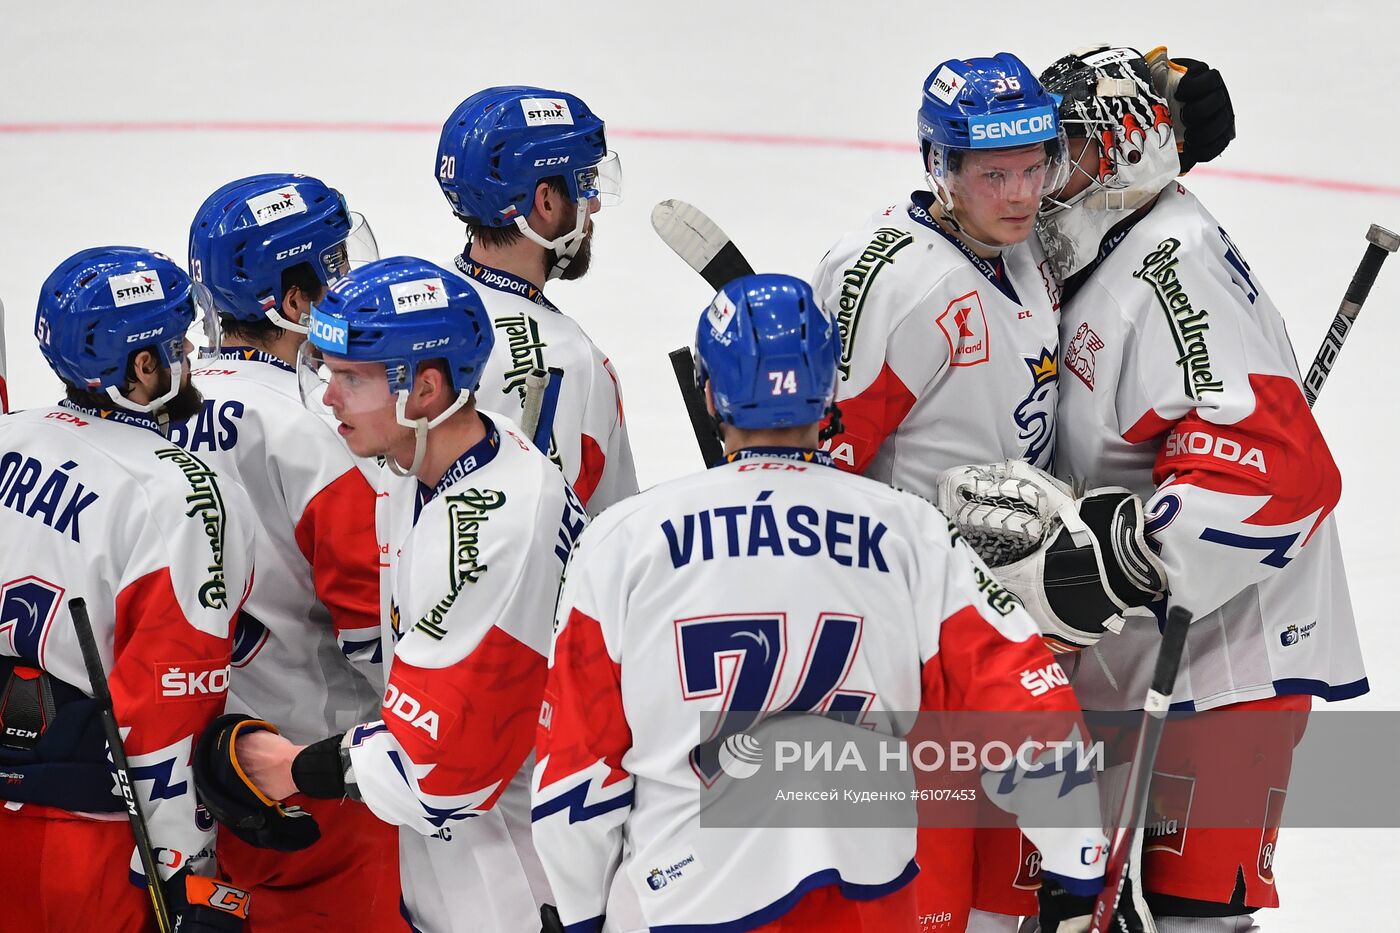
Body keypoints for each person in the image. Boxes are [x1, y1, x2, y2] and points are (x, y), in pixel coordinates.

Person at [530, 274, 1143, 933]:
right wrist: (1076, 867)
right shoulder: (909, 530)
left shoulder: (624, 541)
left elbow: (577, 765)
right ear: (828, 394)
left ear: (711, 393)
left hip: (690, 895)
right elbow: (1027, 704)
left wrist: (578, 910)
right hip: (867, 893)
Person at [810, 49, 1236, 931]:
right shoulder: (894, 280)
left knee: (1019, 912)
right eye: (991, 172)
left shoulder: (1032, 243)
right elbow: (821, 478)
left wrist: (1184, 108)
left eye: (1034, 166)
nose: (1019, 193)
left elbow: (1116, 150)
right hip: (919, 667)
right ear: (940, 166)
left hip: (1024, 655)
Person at [1031, 45, 1367, 932]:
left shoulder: (1174, 273)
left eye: (1063, 152)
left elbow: (1281, 469)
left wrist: (1133, 549)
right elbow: (1141, 80)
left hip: (1228, 661)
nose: (1042, 178)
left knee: (1185, 915)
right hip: (1149, 649)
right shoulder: (1109, 243)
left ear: (1121, 155)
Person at [192, 256, 588, 932]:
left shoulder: (491, 531)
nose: (327, 396)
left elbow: (440, 771)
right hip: (456, 870)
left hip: (520, 887)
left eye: (352, 378)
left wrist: (292, 767)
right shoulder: (423, 468)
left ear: (425, 389)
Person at [0, 246, 255, 930]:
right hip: (87, 843)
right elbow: (167, 704)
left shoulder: (7, 434)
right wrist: (185, 866)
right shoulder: (183, 492)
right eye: (177, 343)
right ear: (143, 368)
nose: (192, 354)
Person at [183, 172, 401, 931]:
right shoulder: (318, 429)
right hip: (311, 776)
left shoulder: (151, 413)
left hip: (188, 771)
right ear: (295, 301)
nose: (347, 282)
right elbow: (378, 627)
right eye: (333, 266)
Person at [435, 85, 637, 513]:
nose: (594, 204)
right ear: (544, 201)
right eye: (585, 184)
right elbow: (601, 538)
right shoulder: (576, 362)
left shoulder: (407, 308)